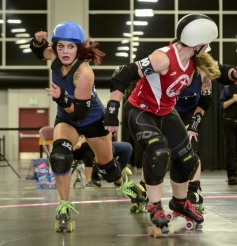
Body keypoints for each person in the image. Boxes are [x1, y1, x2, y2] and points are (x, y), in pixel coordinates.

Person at [104, 14, 218, 232]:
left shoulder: (193, 61)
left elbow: (218, 75)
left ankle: (180, 202)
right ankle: (154, 205)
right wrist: (111, 111)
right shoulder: (163, 58)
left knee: (188, 159)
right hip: (139, 111)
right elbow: (122, 74)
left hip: (165, 112)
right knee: (158, 152)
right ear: (197, 44)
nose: (207, 48)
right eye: (206, 44)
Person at [30, 21, 143, 231]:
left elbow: (80, 113)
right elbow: (38, 53)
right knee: (60, 156)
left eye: (70, 46)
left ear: (78, 48)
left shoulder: (84, 73)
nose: (64, 51)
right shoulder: (54, 57)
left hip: (92, 121)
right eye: (60, 46)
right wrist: (37, 42)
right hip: (66, 120)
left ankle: (132, 192)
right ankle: (64, 206)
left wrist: (61, 98)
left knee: (109, 170)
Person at [176, 60, 237, 211]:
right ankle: (148, 190)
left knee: (193, 150)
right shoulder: (171, 66)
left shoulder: (203, 69)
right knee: (160, 151)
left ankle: (194, 190)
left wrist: (193, 125)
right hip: (170, 109)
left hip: (195, 110)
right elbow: (222, 104)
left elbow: (207, 98)